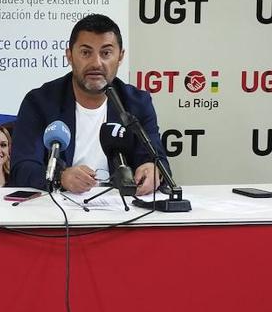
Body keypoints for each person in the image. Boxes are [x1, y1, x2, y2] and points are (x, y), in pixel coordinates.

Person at [9, 13, 167, 195]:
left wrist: (153, 171)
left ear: (120, 57)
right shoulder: (40, 102)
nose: (96, 63)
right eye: (86, 53)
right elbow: (22, 167)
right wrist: (61, 176)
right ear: (69, 56)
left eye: (106, 53)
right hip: (58, 210)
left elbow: (157, 160)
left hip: (121, 211)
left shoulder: (137, 103)